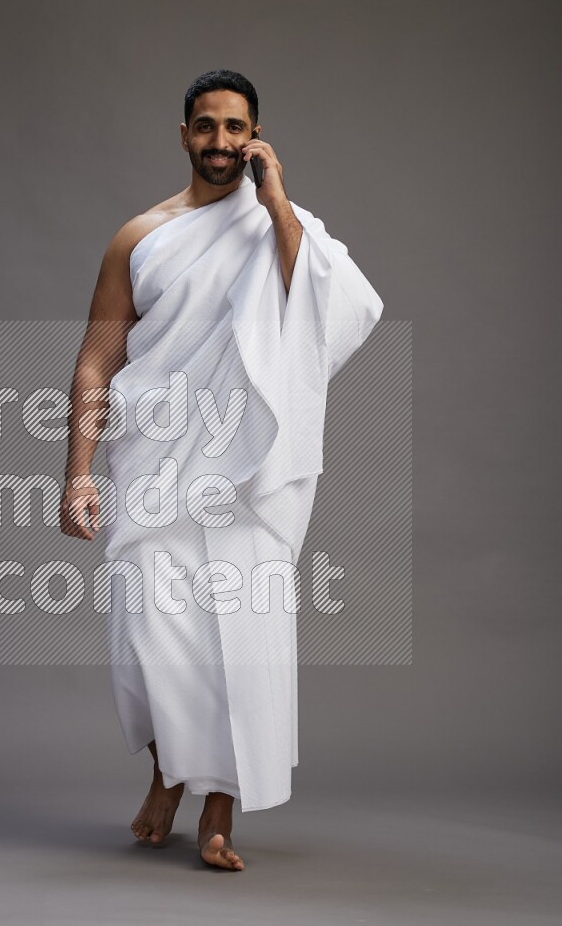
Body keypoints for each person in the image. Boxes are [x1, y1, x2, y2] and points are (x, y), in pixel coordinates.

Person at [60, 70, 383, 871]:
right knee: (155, 632)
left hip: (247, 469)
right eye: (206, 127)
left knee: (241, 637)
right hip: (157, 460)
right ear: (183, 136)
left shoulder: (282, 226)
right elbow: (98, 360)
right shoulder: (140, 236)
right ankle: (168, 770)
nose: (220, 143)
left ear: (257, 136)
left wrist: (276, 204)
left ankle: (217, 814)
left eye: (236, 129)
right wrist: (77, 472)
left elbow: (338, 310)